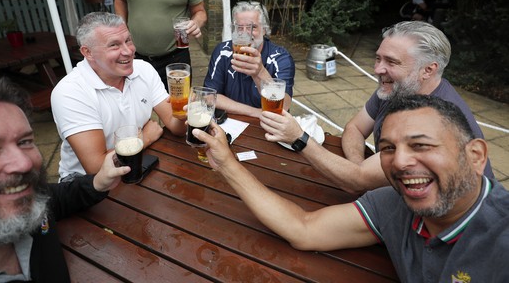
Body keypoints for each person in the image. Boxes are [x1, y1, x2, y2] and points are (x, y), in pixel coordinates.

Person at [195, 95, 509, 283]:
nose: (399, 162)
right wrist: (227, 165)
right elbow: (304, 228)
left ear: (476, 155)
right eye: (386, 148)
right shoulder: (396, 203)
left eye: (421, 145)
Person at [0, 79, 128, 282]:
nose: (23, 163)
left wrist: (98, 183)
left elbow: (54, 199)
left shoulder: (24, 202)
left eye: (24, 142)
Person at [260, 21, 493, 194]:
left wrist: (298, 137)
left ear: (428, 70)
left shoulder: (434, 121)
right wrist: (357, 165)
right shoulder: (398, 87)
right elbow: (355, 129)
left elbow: (356, 182)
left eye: (391, 62)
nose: (378, 69)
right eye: (378, 58)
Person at [51, 12, 186, 182]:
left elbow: (176, 128)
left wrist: (183, 114)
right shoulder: (70, 92)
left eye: (128, 40)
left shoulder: (143, 70)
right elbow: (96, 166)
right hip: (84, 183)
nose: (128, 51)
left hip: (137, 164)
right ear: (88, 52)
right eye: (114, 45)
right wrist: (143, 139)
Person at [203, 1, 295, 118]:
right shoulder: (223, 52)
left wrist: (260, 72)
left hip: (267, 126)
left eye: (253, 27)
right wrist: (255, 112)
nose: (245, 34)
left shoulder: (281, 58)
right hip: (231, 124)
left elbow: (284, 106)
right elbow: (208, 96)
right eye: (239, 28)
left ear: (264, 29)